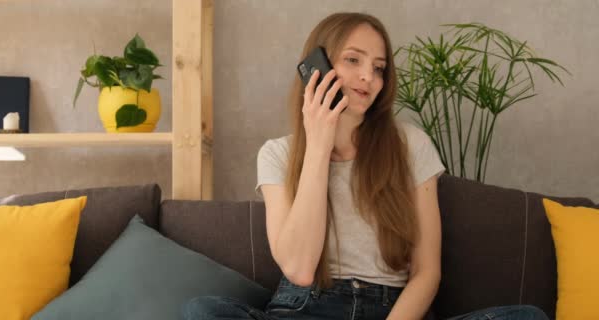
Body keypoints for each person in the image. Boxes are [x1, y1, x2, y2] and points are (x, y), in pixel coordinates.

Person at [182, 12, 549, 320]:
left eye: (379, 68)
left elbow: (426, 272)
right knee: (203, 311)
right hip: (305, 307)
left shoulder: (410, 144)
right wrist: (319, 144)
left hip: (391, 310)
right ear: (317, 67)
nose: (368, 78)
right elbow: (299, 267)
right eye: (353, 60)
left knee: (527, 317)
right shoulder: (277, 154)